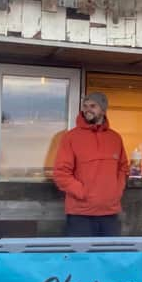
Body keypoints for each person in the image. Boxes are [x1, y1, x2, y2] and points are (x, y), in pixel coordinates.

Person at [53, 92, 128, 237]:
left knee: (109, 257)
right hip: (81, 213)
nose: (88, 109)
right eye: (85, 106)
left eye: (93, 106)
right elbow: (61, 173)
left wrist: (115, 192)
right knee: (81, 259)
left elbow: (123, 168)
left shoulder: (115, 138)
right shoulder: (71, 137)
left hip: (109, 212)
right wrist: (83, 192)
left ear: (103, 109)